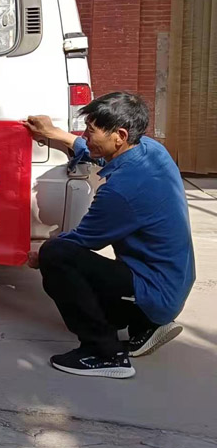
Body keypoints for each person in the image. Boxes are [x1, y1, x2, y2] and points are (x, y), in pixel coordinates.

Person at [23, 92, 195, 379]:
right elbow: (101, 155)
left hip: (152, 293)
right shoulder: (150, 150)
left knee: (56, 255)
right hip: (170, 285)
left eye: (91, 131)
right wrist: (54, 133)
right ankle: (145, 327)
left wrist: (40, 254)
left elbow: (82, 240)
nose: (85, 136)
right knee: (61, 255)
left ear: (120, 135)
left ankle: (104, 353)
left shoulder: (122, 191)